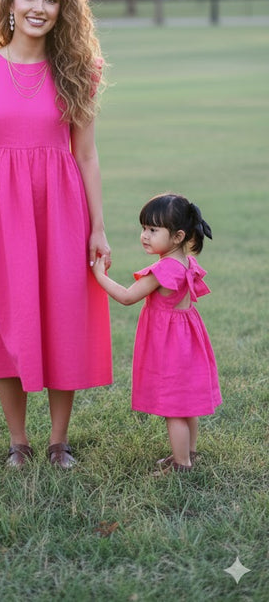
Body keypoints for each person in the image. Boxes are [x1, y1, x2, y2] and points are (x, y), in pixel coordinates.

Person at [0, 0, 112, 469]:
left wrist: (98, 227)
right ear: (10, 4)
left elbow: (86, 155)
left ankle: (59, 442)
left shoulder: (76, 73)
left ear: (63, 10)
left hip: (61, 211)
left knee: (64, 317)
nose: (40, 7)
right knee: (6, 321)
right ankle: (18, 442)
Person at [92, 193, 222, 475]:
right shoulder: (186, 263)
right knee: (186, 403)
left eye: (153, 230)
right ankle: (189, 452)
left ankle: (181, 464)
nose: (145, 236)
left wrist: (100, 276)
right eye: (144, 228)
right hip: (187, 341)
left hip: (170, 345)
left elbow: (127, 297)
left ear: (177, 236)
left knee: (173, 408)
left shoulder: (164, 270)